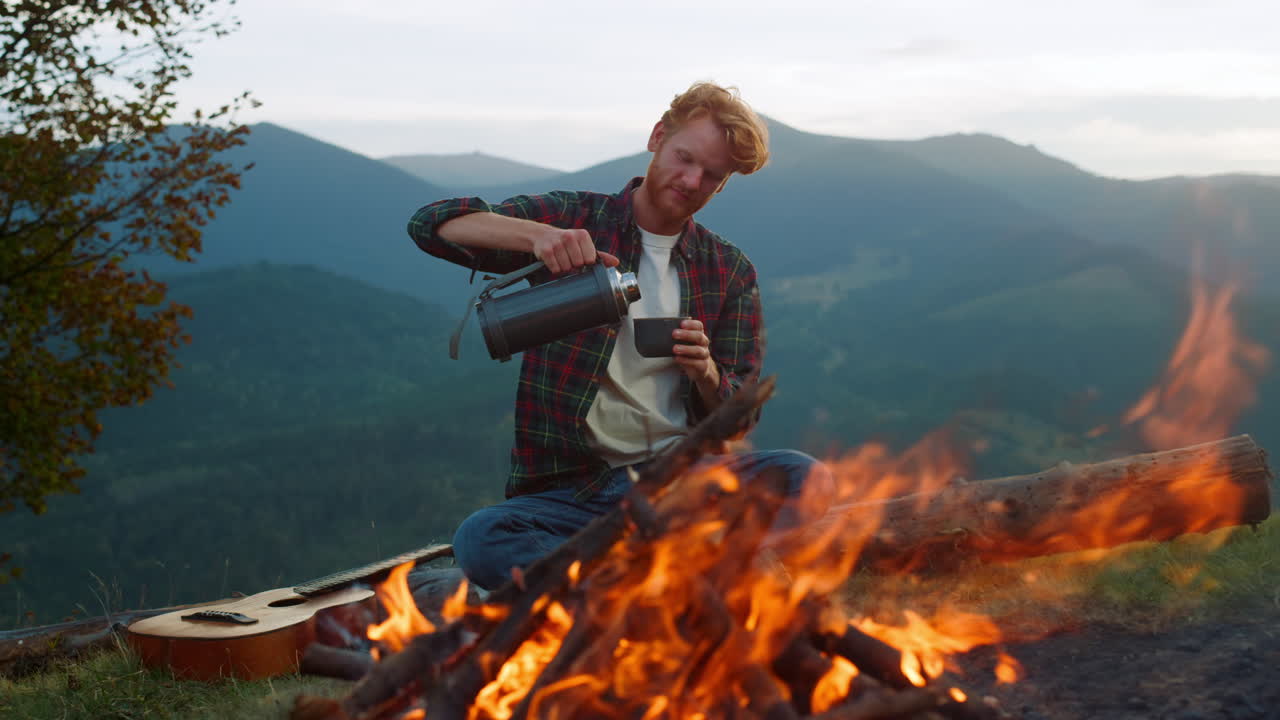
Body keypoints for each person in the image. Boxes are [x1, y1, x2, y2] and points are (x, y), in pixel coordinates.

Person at [408, 82, 831, 591]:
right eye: (684, 157)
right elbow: (430, 223)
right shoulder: (575, 219)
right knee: (482, 536)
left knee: (807, 479)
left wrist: (706, 372)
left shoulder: (730, 270)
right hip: (572, 495)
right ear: (657, 137)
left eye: (712, 176)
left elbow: (740, 416)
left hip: (681, 483)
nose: (692, 180)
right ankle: (667, 578)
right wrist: (538, 237)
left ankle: (610, 586)